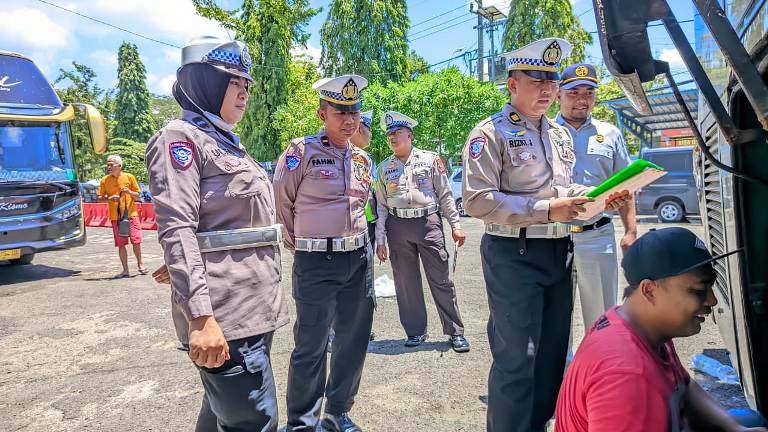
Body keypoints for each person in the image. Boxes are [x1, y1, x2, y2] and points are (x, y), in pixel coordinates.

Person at [461, 38, 629, 432]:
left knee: (551, 359)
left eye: (551, 81)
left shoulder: (557, 134)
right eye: (537, 81)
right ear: (512, 84)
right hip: (513, 253)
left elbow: (560, 188)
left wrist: (598, 196)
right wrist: (547, 210)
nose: (547, 90)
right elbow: (477, 200)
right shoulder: (490, 133)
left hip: (560, 250)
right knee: (517, 360)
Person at [146, 36, 288, 432]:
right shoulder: (180, 138)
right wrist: (201, 316)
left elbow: (220, 224)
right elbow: (177, 227)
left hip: (251, 308)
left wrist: (192, 257)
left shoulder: (224, 142)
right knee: (255, 421)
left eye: (247, 85)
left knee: (223, 416)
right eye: (233, 83)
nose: (244, 93)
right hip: (225, 315)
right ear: (204, 82)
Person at [555, 227, 767, 432]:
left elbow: (684, 385)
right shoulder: (626, 374)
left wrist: (734, 427)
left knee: (752, 420)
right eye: (699, 290)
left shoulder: (642, 324)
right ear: (649, 290)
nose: (712, 300)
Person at [273, 74, 374, 432]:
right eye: (341, 112)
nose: (349, 120)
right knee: (311, 345)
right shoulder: (301, 152)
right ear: (322, 114)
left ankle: (337, 413)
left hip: (358, 259)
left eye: (354, 112)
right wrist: (303, 242)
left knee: (352, 341)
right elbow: (281, 203)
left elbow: (361, 204)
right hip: (315, 261)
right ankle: (302, 422)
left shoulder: (362, 159)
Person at [374, 111, 469, 352]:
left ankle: (455, 332)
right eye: (389, 134)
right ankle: (415, 331)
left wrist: (456, 226)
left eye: (397, 132)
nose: (392, 137)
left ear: (410, 135)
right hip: (398, 226)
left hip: (428, 223)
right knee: (405, 283)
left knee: (441, 279)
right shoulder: (384, 168)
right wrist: (380, 239)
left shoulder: (430, 159)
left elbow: (445, 194)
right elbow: (381, 207)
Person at [555, 63, 638, 335]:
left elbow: (626, 185)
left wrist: (631, 231)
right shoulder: (544, 132)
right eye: (574, 92)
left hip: (597, 236)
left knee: (602, 315)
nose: (582, 99)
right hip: (554, 237)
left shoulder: (610, 134)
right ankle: (561, 364)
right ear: (558, 94)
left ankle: (601, 361)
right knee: (555, 316)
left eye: (588, 93)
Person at [97, 154, 147, 278]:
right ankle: (125, 270)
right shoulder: (105, 180)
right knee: (121, 244)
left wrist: (129, 192)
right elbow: (99, 198)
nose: (108, 167)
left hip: (131, 215)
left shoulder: (129, 177)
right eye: (107, 165)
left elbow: (137, 195)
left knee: (136, 241)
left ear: (119, 166)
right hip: (116, 218)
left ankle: (140, 264)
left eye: (111, 164)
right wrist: (110, 198)